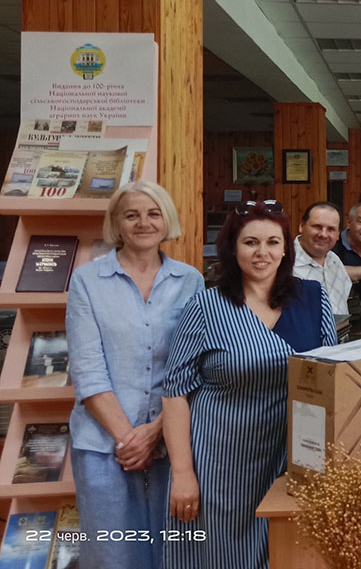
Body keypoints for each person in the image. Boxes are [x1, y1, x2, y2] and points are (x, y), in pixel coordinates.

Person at [162, 200, 337, 569]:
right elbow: (175, 391)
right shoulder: (206, 307)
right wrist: (182, 473)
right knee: (221, 555)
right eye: (250, 242)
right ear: (232, 248)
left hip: (294, 457)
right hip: (224, 462)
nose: (262, 253)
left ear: (287, 247)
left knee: (288, 553)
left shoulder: (312, 299)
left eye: (273, 242)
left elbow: (332, 378)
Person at [66, 181, 204, 569]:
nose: (144, 222)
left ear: (167, 220)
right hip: (104, 446)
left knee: (174, 553)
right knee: (113, 555)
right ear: (117, 224)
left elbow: (193, 366)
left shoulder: (190, 280)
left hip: (173, 443)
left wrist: (156, 430)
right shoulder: (87, 281)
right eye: (132, 215)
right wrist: (130, 439)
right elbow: (88, 371)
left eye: (153, 213)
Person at [292, 201, 352, 331]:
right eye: (317, 227)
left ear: (337, 234)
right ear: (302, 226)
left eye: (331, 229)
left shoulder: (334, 261)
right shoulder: (283, 263)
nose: (323, 234)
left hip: (339, 345)